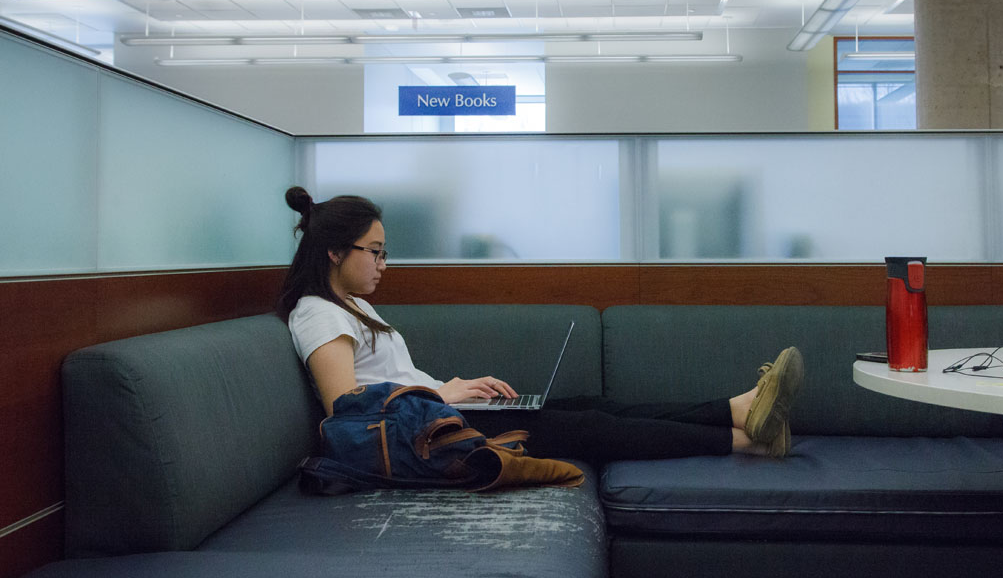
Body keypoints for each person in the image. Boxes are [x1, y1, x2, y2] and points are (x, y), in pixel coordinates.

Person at [276, 187, 802, 464]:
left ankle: (737, 412)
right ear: (335, 251)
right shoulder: (316, 312)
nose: (383, 265)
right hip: (432, 436)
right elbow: (344, 406)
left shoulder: (352, 306)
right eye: (375, 253)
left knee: (594, 406)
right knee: (595, 429)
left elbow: (379, 384)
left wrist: (450, 392)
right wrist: (443, 394)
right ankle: (745, 441)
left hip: (440, 416)